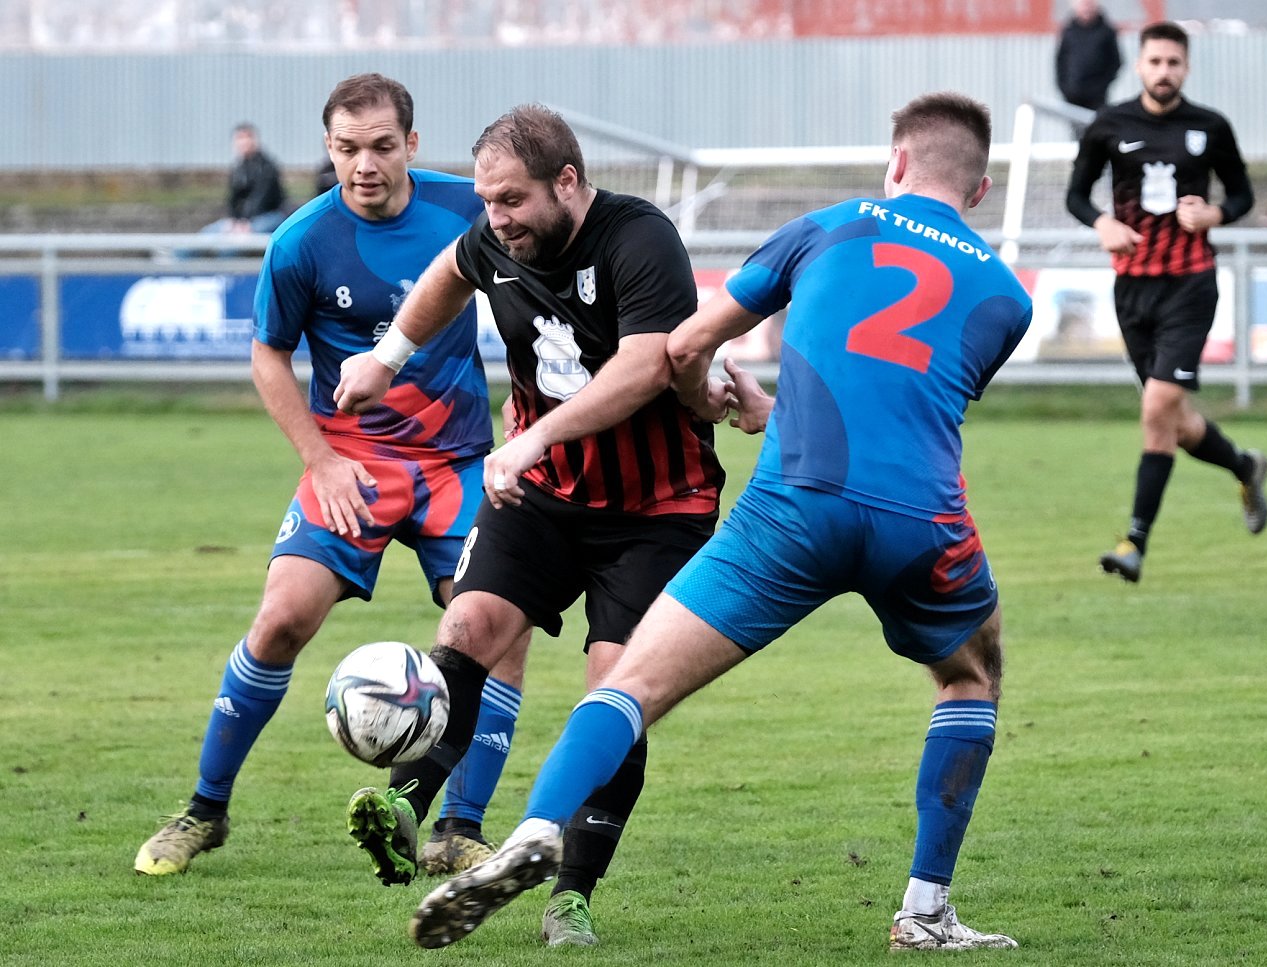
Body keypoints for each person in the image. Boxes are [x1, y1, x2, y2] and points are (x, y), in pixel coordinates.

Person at [403, 90, 1032, 954]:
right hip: (922, 521)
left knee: (629, 685)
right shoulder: (1008, 296)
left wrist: (717, 398)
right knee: (971, 675)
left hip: (793, 508)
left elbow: (684, 348)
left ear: (895, 164)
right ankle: (925, 910)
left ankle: (538, 827)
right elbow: (904, 398)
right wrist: (777, 408)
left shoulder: (825, 228)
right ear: (981, 190)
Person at [331, 103, 735, 947]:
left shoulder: (639, 239)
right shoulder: (495, 240)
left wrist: (534, 437)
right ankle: (406, 807)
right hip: (542, 494)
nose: (498, 218)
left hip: (655, 508)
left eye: (512, 199)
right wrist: (386, 358)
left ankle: (570, 895)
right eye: (487, 201)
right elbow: (450, 271)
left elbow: (645, 366)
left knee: (617, 687)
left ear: (568, 182)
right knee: (468, 627)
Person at [134, 73, 527, 878]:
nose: (364, 165)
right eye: (348, 148)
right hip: (350, 464)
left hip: (456, 463)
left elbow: (533, 300)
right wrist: (320, 458)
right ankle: (204, 809)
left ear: (412, 144)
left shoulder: (468, 210)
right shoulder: (302, 240)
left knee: (499, 629)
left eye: (382, 146)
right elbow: (267, 356)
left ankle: (457, 826)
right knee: (281, 618)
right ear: (328, 147)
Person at [1065, 21, 1267, 584]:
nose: (1164, 72)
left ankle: (1133, 543)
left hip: (1190, 283)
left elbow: (1243, 194)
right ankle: (1245, 466)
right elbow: (1076, 195)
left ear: (1186, 67)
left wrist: (1215, 214)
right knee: (1173, 420)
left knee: (1157, 409)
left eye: (1173, 63)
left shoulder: (1210, 126)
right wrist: (1102, 223)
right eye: (1155, 62)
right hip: (1132, 288)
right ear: (1139, 65)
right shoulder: (1109, 125)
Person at [199, 122, 290, 235]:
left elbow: (261, 199)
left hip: (269, 215)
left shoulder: (266, 167)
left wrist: (244, 223)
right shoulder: (238, 168)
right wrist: (234, 221)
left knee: (243, 237)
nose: (244, 142)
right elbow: (233, 200)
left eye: (247, 137)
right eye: (240, 138)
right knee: (207, 233)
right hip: (243, 220)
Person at [1055, 0, 1122, 114]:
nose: (1086, 8)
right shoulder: (1069, 32)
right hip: (1073, 95)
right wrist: (1065, 88)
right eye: (1083, 5)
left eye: (1089, 4)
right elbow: (1060, 62)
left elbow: (1115, 62)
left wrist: (1101, 87)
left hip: (1097, 99)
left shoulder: (1106, 31)